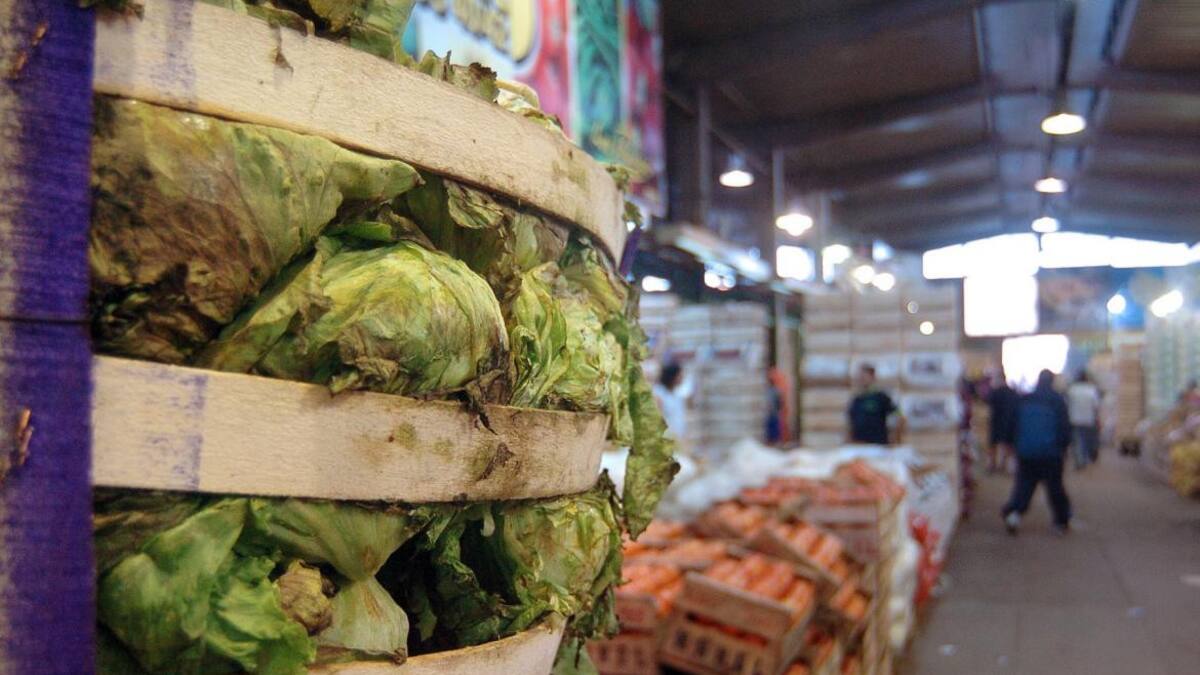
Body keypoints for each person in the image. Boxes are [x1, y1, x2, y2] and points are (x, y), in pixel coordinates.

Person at [1002, 369, 1072, 535]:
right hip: (1051, 454)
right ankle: (1061, 522)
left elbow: (1012, 424)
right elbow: (1064, 428)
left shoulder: (1025, 399)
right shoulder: (1057, 400)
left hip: (1026, 452)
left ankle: (1014, 514)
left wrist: (1011, 444)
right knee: (1055, 488)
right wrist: (1064, 447)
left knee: (1024, 486)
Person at [847, 364, 903, 445]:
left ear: (872, 377)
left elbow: (899, 416)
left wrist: (896, 438)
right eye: (859, 376)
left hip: (878, 445)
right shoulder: (856, 400)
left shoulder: (881, 397)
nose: (861, 379)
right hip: (859, 445)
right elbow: (850, 423)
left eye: (864, 376)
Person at [1066, 370, 1101, 469]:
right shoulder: (1092, 390)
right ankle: (1086, 458)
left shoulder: (1072, 390)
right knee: (1087, 440)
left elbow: (1067, 404)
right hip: (1089, 419)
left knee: (1077, 440)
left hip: (1074, 419)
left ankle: (1080, 460)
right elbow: (1096, 406)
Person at [986, 370, 1020, 473]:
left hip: (996, 420)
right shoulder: (1013, 392)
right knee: (1008, 445)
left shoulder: (994, 392)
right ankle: (1004, 465)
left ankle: (992, 465)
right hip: (1009, 421)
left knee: (993, 444)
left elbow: (988, 402)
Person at [652, 361, 689, 443]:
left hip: (677, 439)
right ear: (673, 376)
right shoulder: (658, 394)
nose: (682, 378)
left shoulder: (678, 396)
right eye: (680, 375)